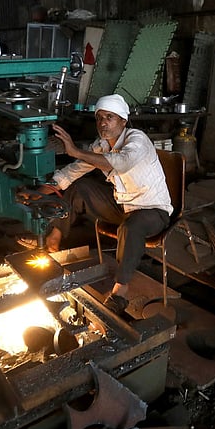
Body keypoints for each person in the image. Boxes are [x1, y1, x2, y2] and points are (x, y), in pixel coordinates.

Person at [37, 94, 173, 314]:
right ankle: (54, 238)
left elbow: (122, 163)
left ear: (123, 121)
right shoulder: (101, 145)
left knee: (131, 227)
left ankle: (120, 290)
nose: (103, 123)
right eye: (99, 118)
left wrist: (75, 150)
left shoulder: (137, 139)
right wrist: (41, 192)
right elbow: (74, 171)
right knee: (81, 187)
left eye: (110, 117)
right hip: (122, 207)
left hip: (152, 211)